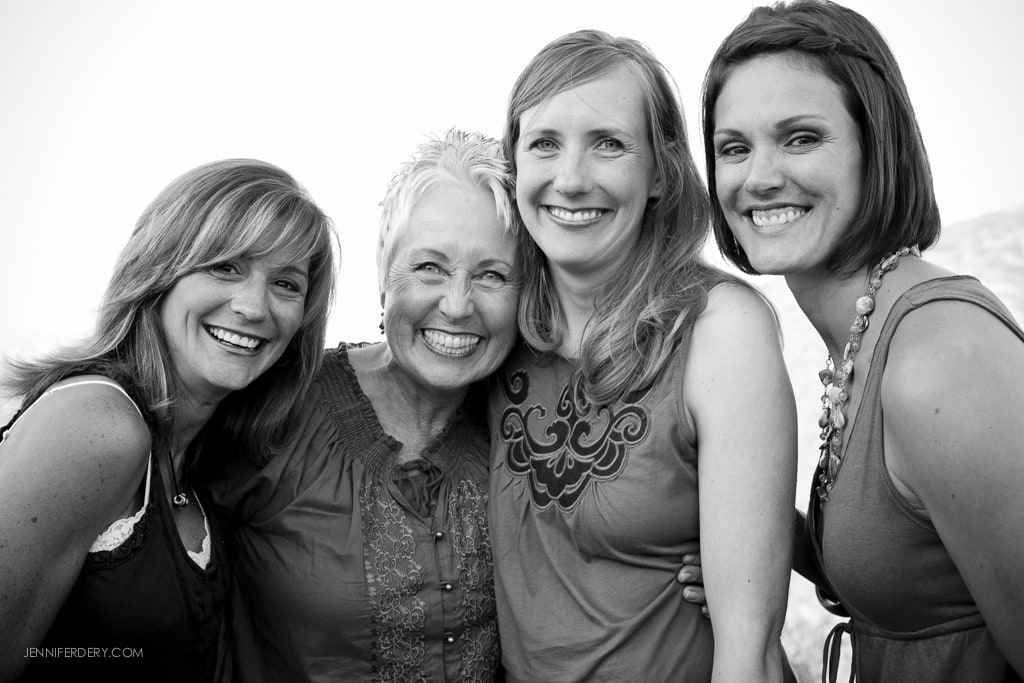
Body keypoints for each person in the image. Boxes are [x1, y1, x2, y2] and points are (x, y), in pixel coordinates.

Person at [698, 1, 1024, 680]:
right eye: (734, 147)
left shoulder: (940, 357)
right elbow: (914, 567)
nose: (758, 176)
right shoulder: (860, 338)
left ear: (877, 145)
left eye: (801, 137)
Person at [488, 29, 798, 682]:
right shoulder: (493, 331)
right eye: (545, 143)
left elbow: (751, 654)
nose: (570, 180)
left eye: (608, 143)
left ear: (659, 171)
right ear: (513, 165)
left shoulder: (718, 330)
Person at [0, 159, 337, 682]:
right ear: (159, 269)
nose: (253, 306)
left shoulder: (201, 459)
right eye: (226, 266)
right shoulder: (99, 425)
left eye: (286, 284)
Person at [205, 129, 519, 682]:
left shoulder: (530, 426)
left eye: (492, 275)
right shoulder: (275, 403)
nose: (457, 304)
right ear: (383, 266)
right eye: (430, 268)